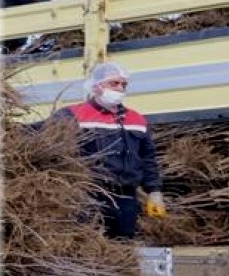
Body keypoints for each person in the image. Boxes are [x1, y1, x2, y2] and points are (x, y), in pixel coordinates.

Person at [52, 62, 165, 239]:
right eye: (114, 83)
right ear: (97, 86)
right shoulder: (72, 115)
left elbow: (148, 158)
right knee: (87, 245)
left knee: (122, 246)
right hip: (88, 196)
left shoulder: (136, 119)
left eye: (123, 84)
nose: (120, 88)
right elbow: (56, 155)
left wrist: (154, 191)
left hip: (126, 198)